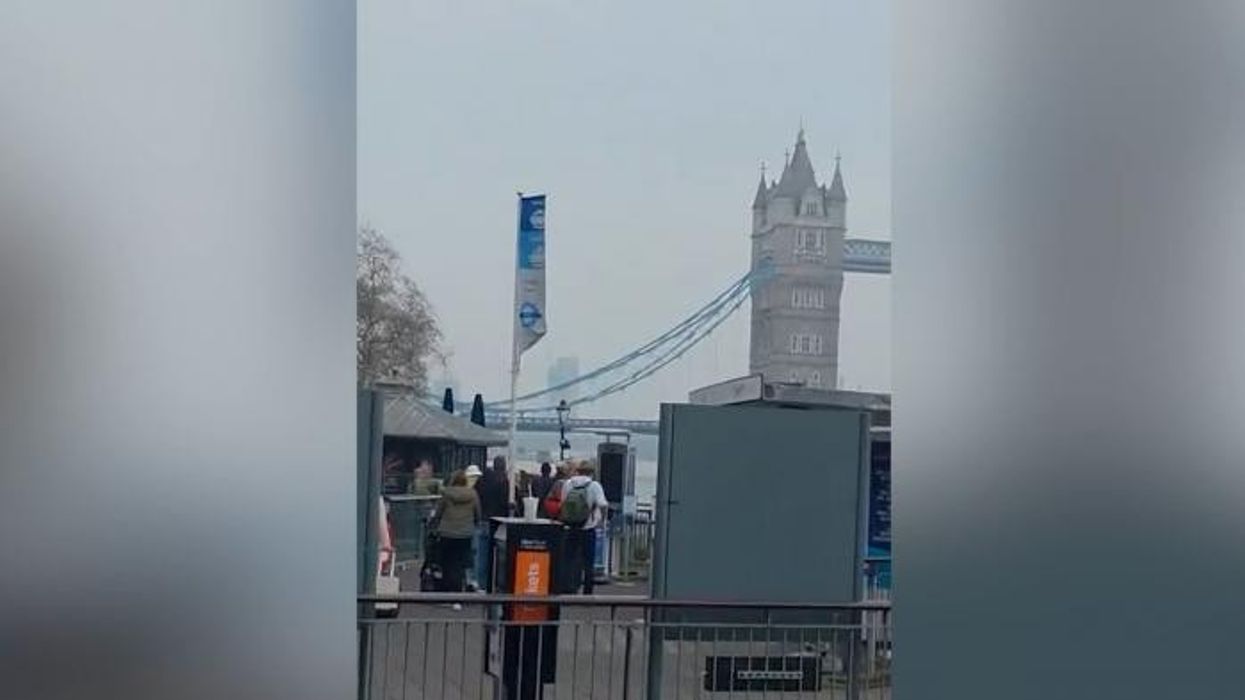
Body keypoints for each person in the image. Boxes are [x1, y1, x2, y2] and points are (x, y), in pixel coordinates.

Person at [430, 469, 480, 604]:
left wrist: (433, 525)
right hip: (465, 534)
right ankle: (458, 595)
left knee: (447, 563)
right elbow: (477, 513)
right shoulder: (473, 494)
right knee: (460, 564)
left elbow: (439, 513)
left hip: (447, 533)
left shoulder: (446, 494)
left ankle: (446, 594)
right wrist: (474, 524)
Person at [558, 460, 609, 594]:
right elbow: (603, 505)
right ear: (591, 472)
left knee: (568, 559)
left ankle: (567, 588)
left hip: (570, 527)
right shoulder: (594, 485)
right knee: (588, 562)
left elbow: (562, 503)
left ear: (578, 471)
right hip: (588, 527)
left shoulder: (568, 484)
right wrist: (601, 521)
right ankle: (587, 591)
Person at [473, 456, 511, 590]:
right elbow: (505, 503)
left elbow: (476, 497)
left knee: (481, 555)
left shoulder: (482, 480)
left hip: (483, 519)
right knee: (501, 557)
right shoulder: (504, 482)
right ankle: (498, 584)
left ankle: (480, 584)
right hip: (499, 522)